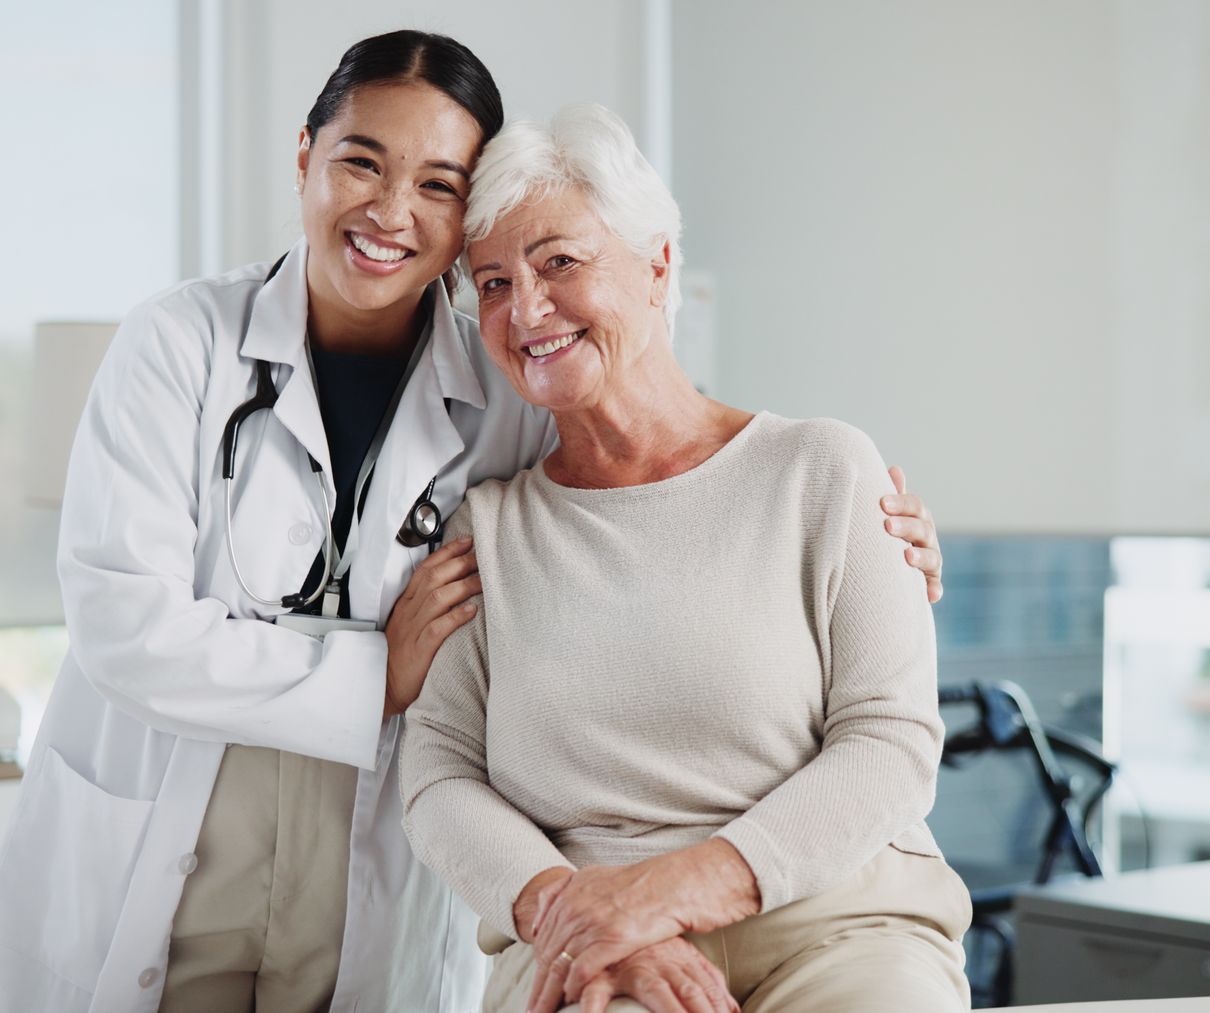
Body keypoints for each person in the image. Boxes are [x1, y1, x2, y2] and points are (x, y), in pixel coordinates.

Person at [0, 32, 945, 1013]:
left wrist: (862, 532)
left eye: (438, 185)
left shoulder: (506, 375)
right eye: (361, 161)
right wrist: (374, 675)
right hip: (177, 820)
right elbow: (124, 626)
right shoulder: (180, 345)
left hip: (358, 846)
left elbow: (653, 469)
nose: (392, 211)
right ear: (304, 155)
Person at [400, 103, 973, 1013]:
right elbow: (436, 772)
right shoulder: (487, 528)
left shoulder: (822, 470)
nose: (527, 309)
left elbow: (892, 743)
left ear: (658, 262)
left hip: (840, 922)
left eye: (559, 262)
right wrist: (574, 917)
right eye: (495, 283)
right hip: (581, 948)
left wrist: (664, 896)